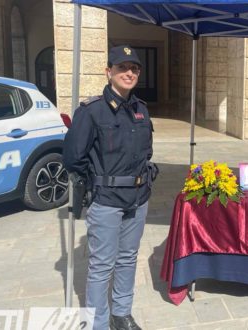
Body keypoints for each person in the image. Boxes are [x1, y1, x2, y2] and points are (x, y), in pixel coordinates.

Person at [63, 45, 154, 330]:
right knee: (102, 265)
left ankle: (121, 313)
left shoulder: (141, 109)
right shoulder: (91, 111)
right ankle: (98, 323)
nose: (129, 73)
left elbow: (146, 153)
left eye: (134, 68)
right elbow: (73, 158)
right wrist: (97, 183)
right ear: (108, 72)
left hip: (138, 197)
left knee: (128, 258)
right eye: (122, 68)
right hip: (107, 199)